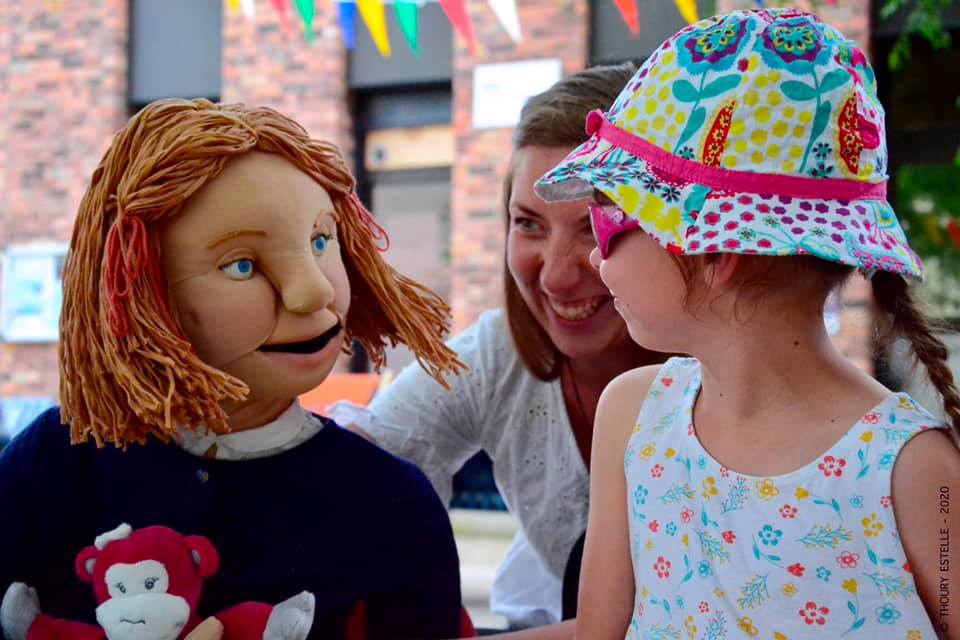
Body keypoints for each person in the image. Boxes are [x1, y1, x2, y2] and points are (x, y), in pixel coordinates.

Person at [534, 8, 960, 639]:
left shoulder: (912, 470)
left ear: (713, 251)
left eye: (605, 218)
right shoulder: (633, 417)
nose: (595, 258)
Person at [0, 99, 466, 640]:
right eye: (242, 265)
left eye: (320, 241)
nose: (313, 291)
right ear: (139, 285)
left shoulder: (388, 501)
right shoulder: (57, 462)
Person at [331, 62, 667, 630]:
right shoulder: (498, 355)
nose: (555, 276)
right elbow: (361, 469)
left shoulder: (734, 369)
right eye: (529, 224)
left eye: (594, 226)